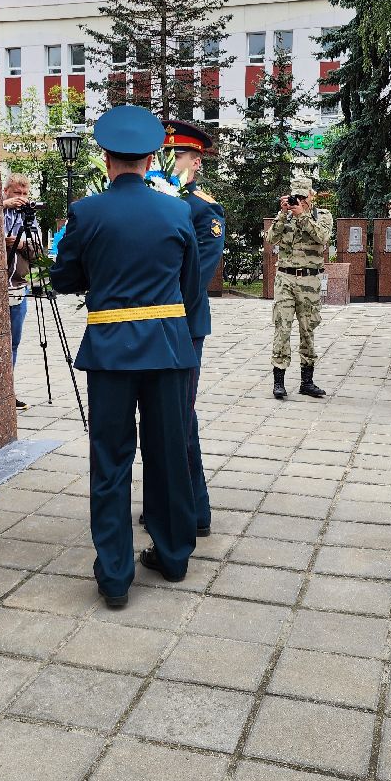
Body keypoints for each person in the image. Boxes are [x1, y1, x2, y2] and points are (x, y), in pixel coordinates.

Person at [50, 105, 204, 609]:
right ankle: (174, 555)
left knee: (111, 461)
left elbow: (65, 279)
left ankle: (115, 576)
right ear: (151, 155)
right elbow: (188, 287)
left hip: (112, 355)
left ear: (105, 156)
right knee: (167, 454)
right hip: (166, 350)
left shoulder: (86, 212)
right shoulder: (178, 212)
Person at [163, 120, 226, 537]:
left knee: (180, 414)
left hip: (183, 324)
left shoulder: (202, 208)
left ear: (195, 162)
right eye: (166, 155)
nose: (169, 163)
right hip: (150, 323)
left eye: (178, 157)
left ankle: (195, 509)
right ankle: (164, 502)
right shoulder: (154, 198)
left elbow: (198, 272)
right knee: (158, 415)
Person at [267, 173, 333, 399]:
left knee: (307, 329)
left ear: (311, 196)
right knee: (282, 328)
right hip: (285, 279)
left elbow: (322, 237)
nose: (300, 201)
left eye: (303, 197)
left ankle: (307, 381)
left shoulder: (322, 216)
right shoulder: (285, 217)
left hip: (309, 281)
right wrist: (282, 214)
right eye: (296, 197)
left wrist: (303, 216)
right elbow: (270, 238)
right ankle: (279, 381)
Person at [2, 173, 39, 411]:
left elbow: (37, 251)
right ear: (6, 191)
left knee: (14, 342)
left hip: (19, 286)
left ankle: (8, 392)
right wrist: (3, 205)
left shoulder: (28, 217)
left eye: (25, 194)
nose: (22, 199)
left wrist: (22, 243)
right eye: (17, 193)